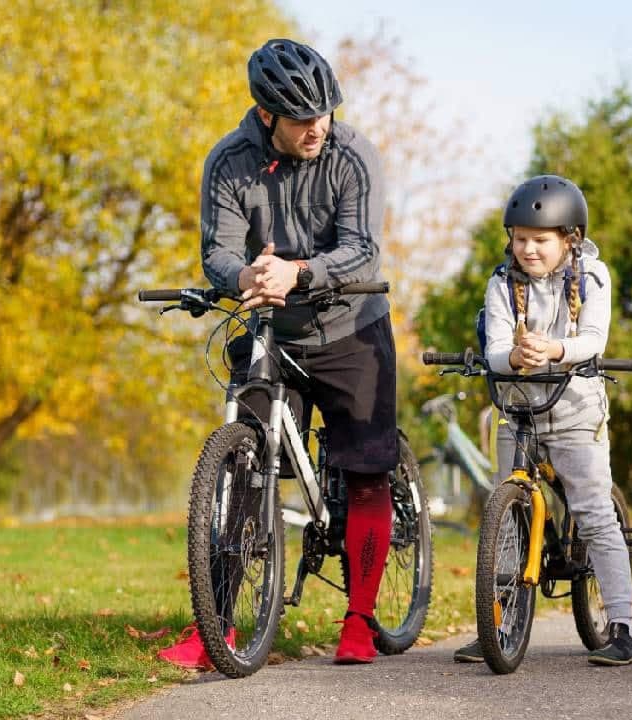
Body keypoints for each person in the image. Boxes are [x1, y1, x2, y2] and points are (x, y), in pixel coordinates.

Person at [158, 38, 397, 668]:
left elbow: (363, 247)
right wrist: (244, 278)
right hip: (271, 328)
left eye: (324, 111)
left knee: (369, 470)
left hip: (352, 325)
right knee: (241, 468)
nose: (317, 126)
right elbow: (218, 252)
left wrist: (299, 272)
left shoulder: (352, 156)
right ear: (266, 116)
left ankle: (360, 619)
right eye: (301, 118)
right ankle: (217, 629)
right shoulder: (229, 162)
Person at [452, 174, 632, 666]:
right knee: (506, 518)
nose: (528, 250)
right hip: (518, 410)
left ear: (569, 239)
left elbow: (594, 339)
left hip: (576, 411)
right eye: (520, 239)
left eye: (540, 240)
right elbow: (494, 348)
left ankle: (622, 626)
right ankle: (500, 624)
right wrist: (512, 357)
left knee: (595, 513)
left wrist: (556, 349)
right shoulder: (501, 282)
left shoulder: (594, 277)